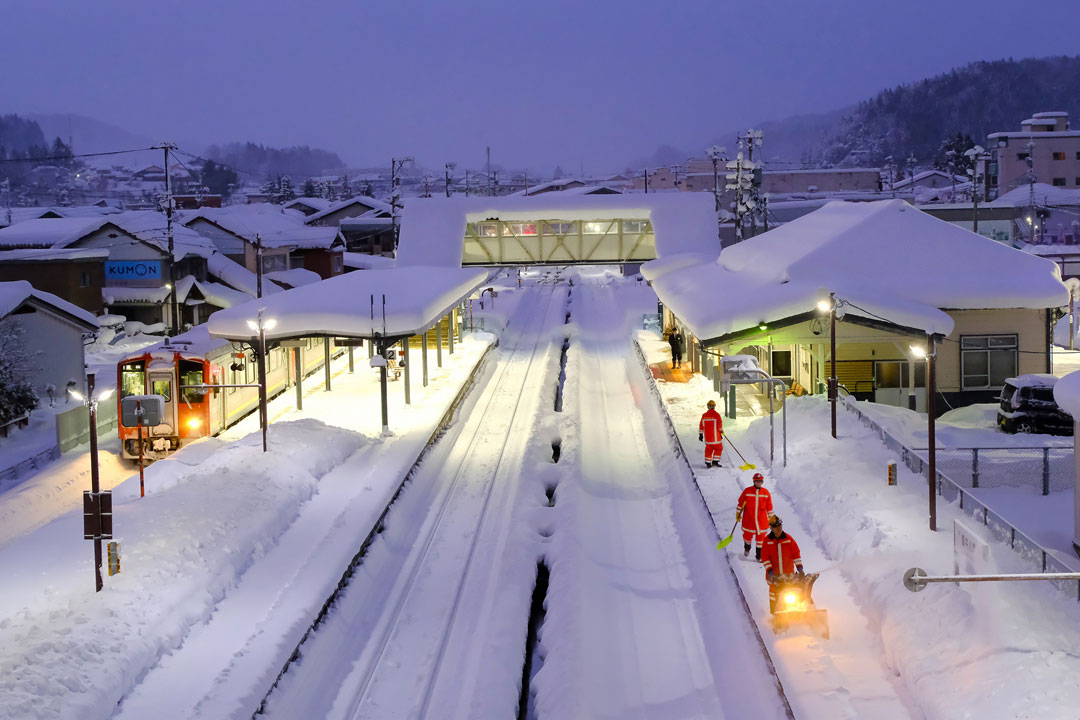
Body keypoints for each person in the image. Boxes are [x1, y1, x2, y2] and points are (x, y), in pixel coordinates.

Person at [760, 516, 803, 613]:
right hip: (774, 576)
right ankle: (774, 612)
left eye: (780, 525)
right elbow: (765, 558)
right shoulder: (767, 541)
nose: (779, 528)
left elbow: (796, 553)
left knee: (791, 592)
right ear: (771, 528)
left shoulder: (788, 539)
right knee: (774, 593)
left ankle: (795, 612)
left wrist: (800, 568)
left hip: (788, 575)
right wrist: (770, 571)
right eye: (776, 526)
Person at [736, 472, 773, 561]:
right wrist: (738, 513)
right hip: (749, 520)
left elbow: (769, 506)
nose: (759, 483)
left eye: (760, 481)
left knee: (761, 540)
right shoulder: (747, 491)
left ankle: (759, 556)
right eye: (757, 481)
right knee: (747, 537)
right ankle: (747, 547)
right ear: (754, 481)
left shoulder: (766, 492)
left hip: (762, 521)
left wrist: (771, 518)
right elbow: (740, 503)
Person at [698, 400, 723, 468]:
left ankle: (708, 463)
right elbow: (719, 426)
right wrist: (721, 432)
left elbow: (701, 426)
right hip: (716, 438)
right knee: (719, 448)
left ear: (708, 407)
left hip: (708, 438)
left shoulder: (704, 415)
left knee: (709, 449)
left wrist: (700, 435)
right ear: (714, 406)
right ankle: (715, 461)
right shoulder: (717, 415)